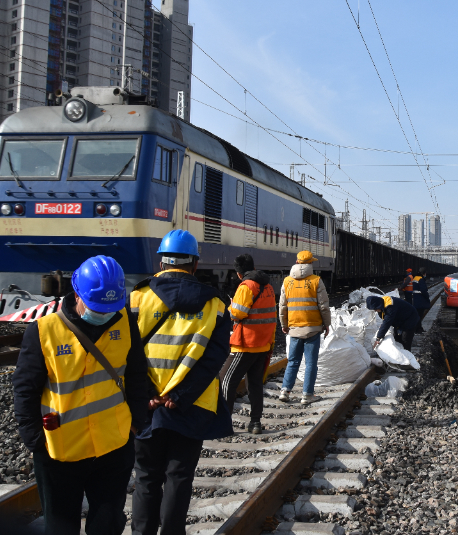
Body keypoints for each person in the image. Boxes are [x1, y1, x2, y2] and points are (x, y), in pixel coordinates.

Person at [13, 255, 149, 535]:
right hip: (60, 451)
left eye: (112, 307)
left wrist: (136, 423)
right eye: (98, 306)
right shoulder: (44, 331)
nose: (105, 314)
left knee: (107, 524)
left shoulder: (124, 323)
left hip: (113, 446)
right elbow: (25, 389)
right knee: (60, 527)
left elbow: (137, 374)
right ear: (77, 294)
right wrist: (35, 440)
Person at [129, 229, 233, 535]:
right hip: (191, 406)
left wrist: (148, 393)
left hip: (147, 405)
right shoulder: (216, 305)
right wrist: (181, 395)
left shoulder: (137, 298)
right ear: (195, 264)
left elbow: (125, 353)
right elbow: (214, 358)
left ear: (161, 262)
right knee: (179, 476)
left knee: (146, 477)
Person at [219, 254, 277, 435]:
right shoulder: (267, 286)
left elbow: (237, 313)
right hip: (263, 343)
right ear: (253, 267)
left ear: (238, 273)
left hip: (246, 344)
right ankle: (255, 422)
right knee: (255, 384)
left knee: (225, 381)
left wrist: (230, 306)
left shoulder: (246, 286)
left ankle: (223, 425)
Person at [279, 250, 331, 405]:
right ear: (310, 263)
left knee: (293, 361)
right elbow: (324, 306)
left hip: (294, 329)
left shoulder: (287, 281)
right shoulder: (316, 281)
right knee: (310, 363)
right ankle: (307, 395)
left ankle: (285, 391)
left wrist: (284, 324)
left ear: (297, 262)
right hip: (312, 329)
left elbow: (282, 306)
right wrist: (327, 324)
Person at [411, 267, 431, 332]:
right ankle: (418, 329)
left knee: (417, 314)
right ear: (424, 273)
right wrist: (427, 297)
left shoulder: (415, 278)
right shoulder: (421, 279)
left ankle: (419, 328)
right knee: (420, 315)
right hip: (421, 300)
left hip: (416, 299)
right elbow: (423, 290)